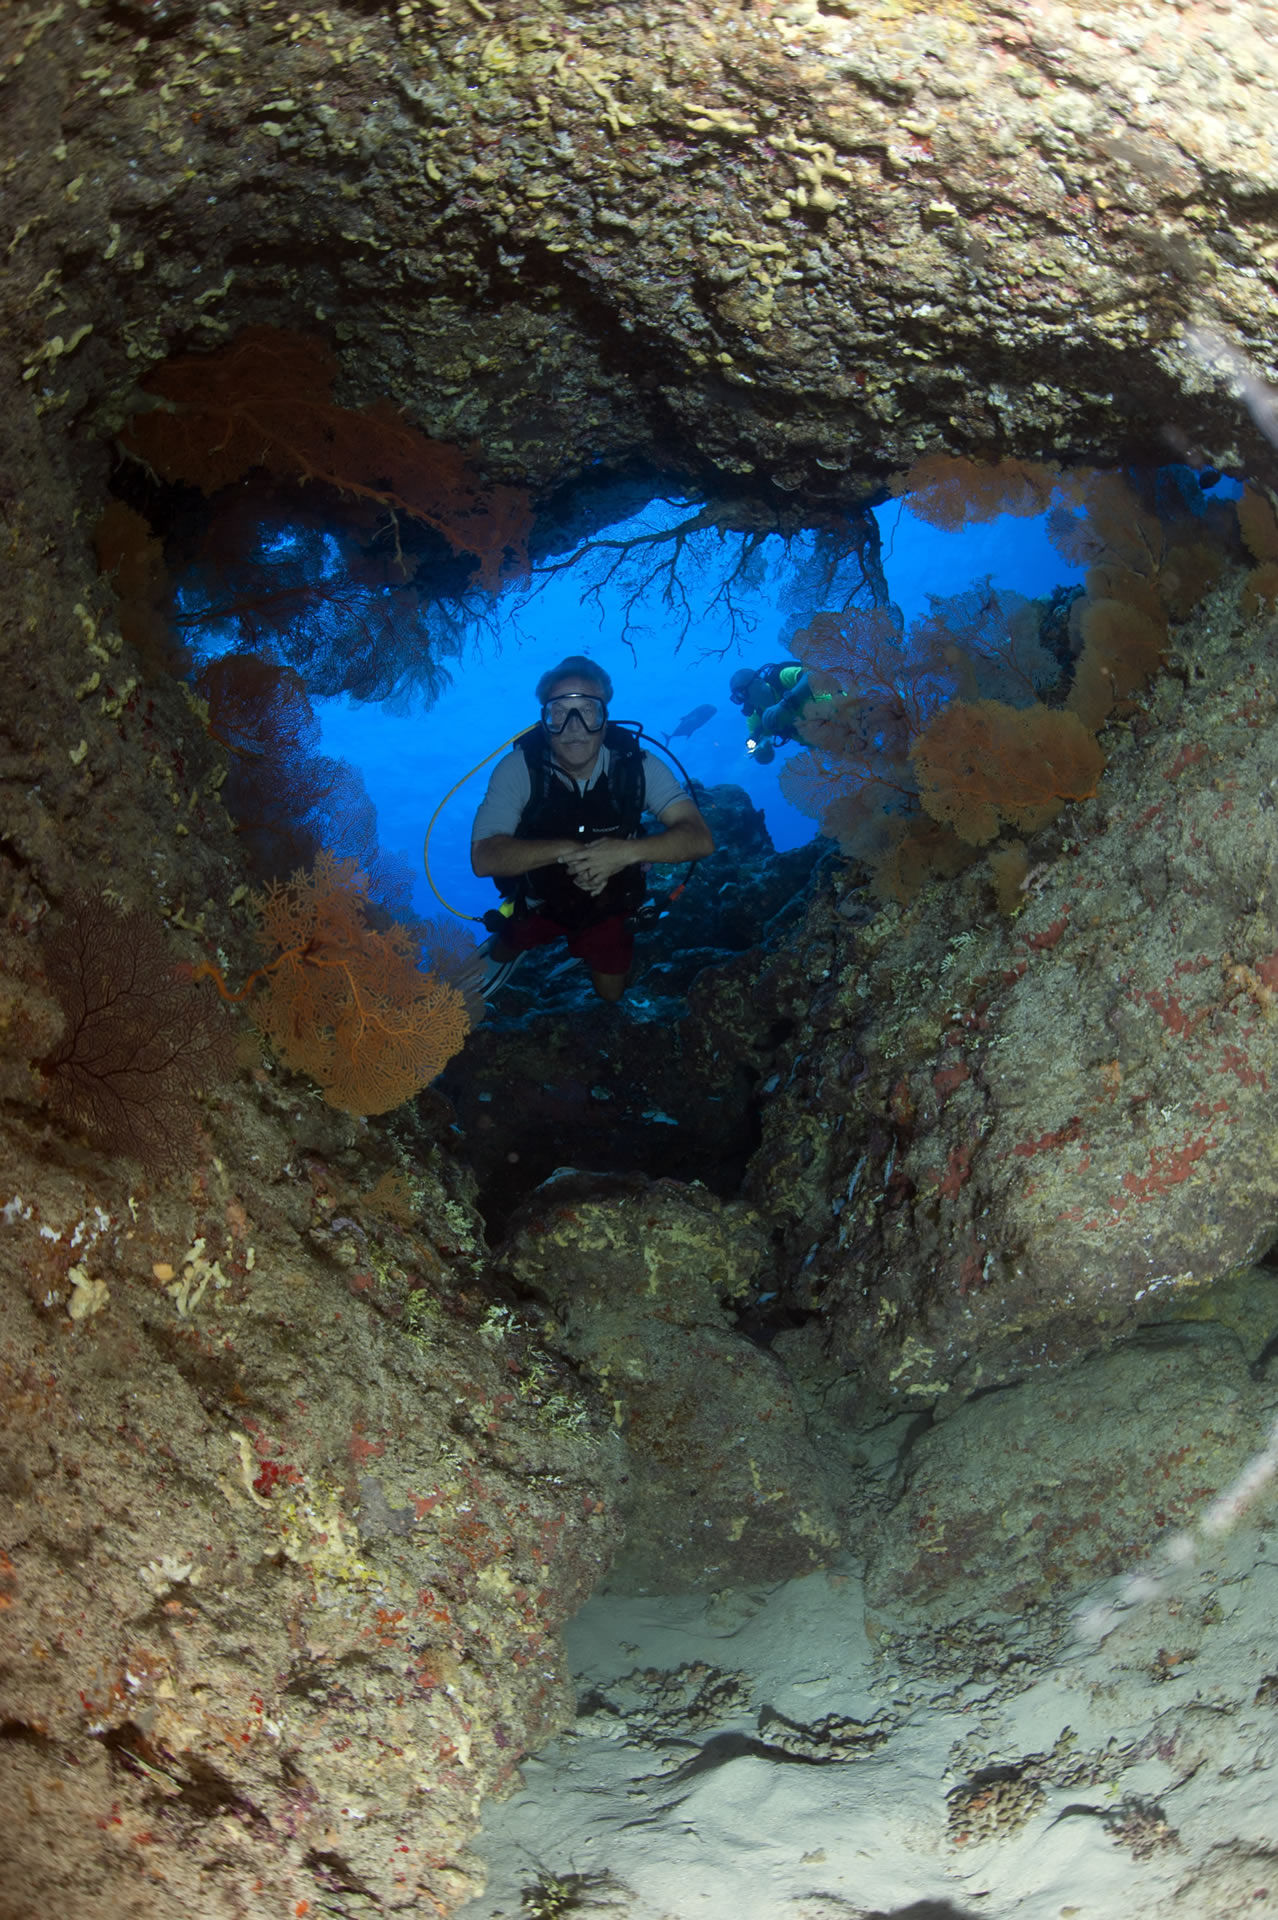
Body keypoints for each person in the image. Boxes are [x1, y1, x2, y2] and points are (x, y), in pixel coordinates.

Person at [470, 656, 715, 1003]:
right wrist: (569, 850)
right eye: (558, 711)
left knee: (611, 995)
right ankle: (511, 949)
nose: (573, 727)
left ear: (604, 718)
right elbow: (483, 858)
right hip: (539, 900)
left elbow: (699, 838)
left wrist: (624, 853)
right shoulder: (518, 769)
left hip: (609, 906)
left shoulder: (638, 767)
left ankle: (583, 951)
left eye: (587, 710)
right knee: (507, 944)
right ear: (544, 720)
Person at [728, 662, 820, 764]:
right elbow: (766, 758)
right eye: (739, 698)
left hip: (838, 711)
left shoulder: (781, 679)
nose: (745, 701)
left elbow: (813, 675)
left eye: (743, 693)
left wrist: (784, 703)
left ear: (757, 682)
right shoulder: (756, 717)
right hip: (828, 743)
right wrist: (762, 748)